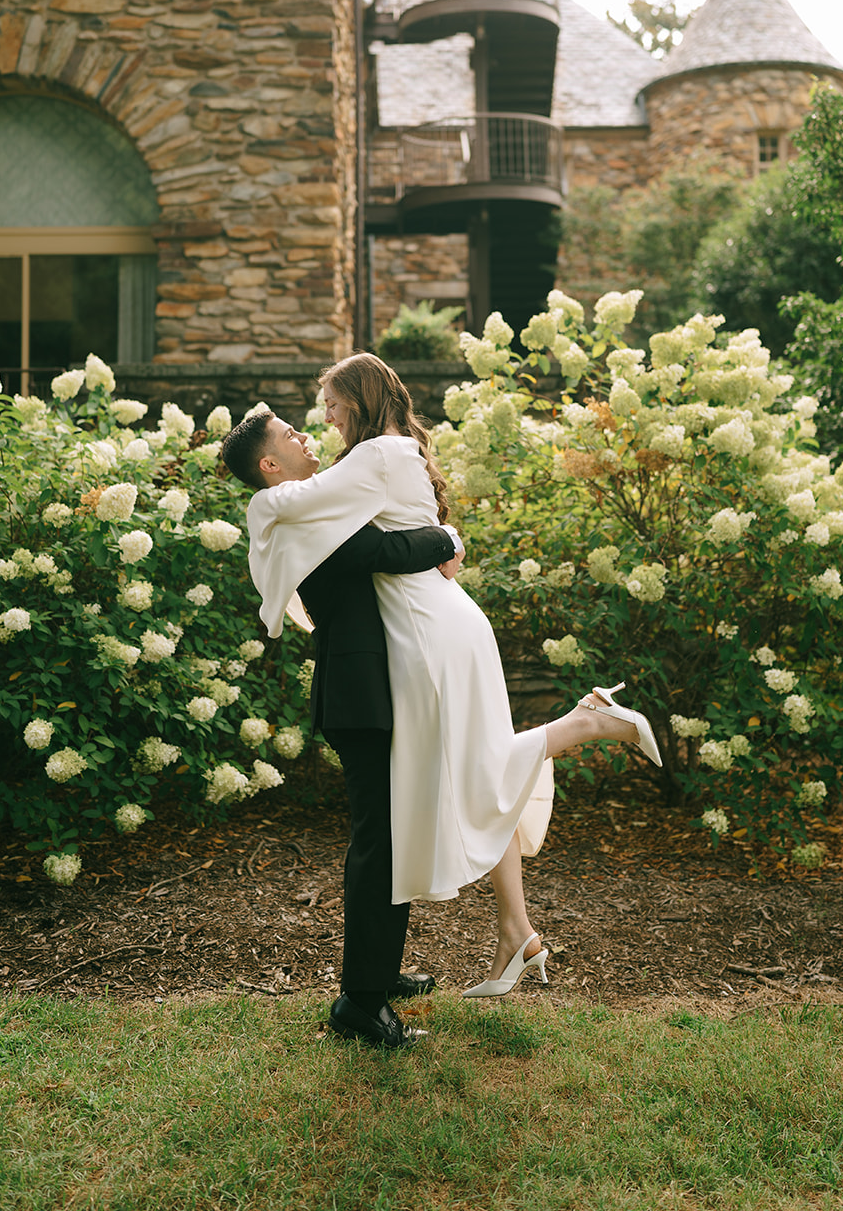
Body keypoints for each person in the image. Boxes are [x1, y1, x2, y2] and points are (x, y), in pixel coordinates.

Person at [243, 354, 662, 1006]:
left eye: (328, 403)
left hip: (424, 635)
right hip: (426, 630)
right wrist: (443, 536)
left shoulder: (371, 457)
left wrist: (437, 536)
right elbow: (351, 531)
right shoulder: (376, 458)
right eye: (303, 423)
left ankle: (587, 724)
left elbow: (340, 524)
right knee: (463, 778)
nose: (318, 421)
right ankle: (513, 931)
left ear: (357, 398)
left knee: (472, 774)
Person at [222, 409, 463, 1049]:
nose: (304, 436)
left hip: (375, 686)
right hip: (359, 692)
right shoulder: (289, 511)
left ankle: (377, 977)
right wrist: (448, 539)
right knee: (378, 841)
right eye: (288, 438)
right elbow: (382, 551)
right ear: (270, 465)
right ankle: (359, 1003)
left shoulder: (312, 502)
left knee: (391, 832)